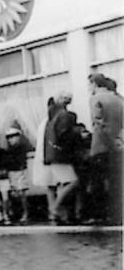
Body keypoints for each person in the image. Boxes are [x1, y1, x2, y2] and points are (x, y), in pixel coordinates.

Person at [87, 73, 123, 224]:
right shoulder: (119, 100)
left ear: (94, 84)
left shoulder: (96, 99)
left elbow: (98, 124)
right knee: (116, 180)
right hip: (119, 146)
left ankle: (99, 215)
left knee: (98, 182)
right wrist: (118, 141)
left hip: (101, 146)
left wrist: (109, 142)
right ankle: (117, 213)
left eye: (89, 84)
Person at [44, 91, 79, 224]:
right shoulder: (63, 115)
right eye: (67, 98)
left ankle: (58, 213)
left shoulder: (52, 115)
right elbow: (64, 135)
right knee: (73, 182)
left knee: (64, 183)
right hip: (61, 155)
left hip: (53, 154)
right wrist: (77, 134)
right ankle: (55, 208)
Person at [33, 97, 59, 221]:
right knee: (56, 185)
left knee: (51, 186)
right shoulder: (51, 122)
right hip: (52, 158)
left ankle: (52, 210)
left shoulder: (44, 123)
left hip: (46, 158)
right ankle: (55, 211)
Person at [5, 123, 33, 224]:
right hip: (12, 172)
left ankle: (25, 213)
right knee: (13, 193)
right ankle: (15, 212)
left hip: (20, 171)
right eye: (8, 137)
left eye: (13, 136)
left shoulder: (22, 147)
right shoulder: (8, 149)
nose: (11, 139)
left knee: (22, 193)